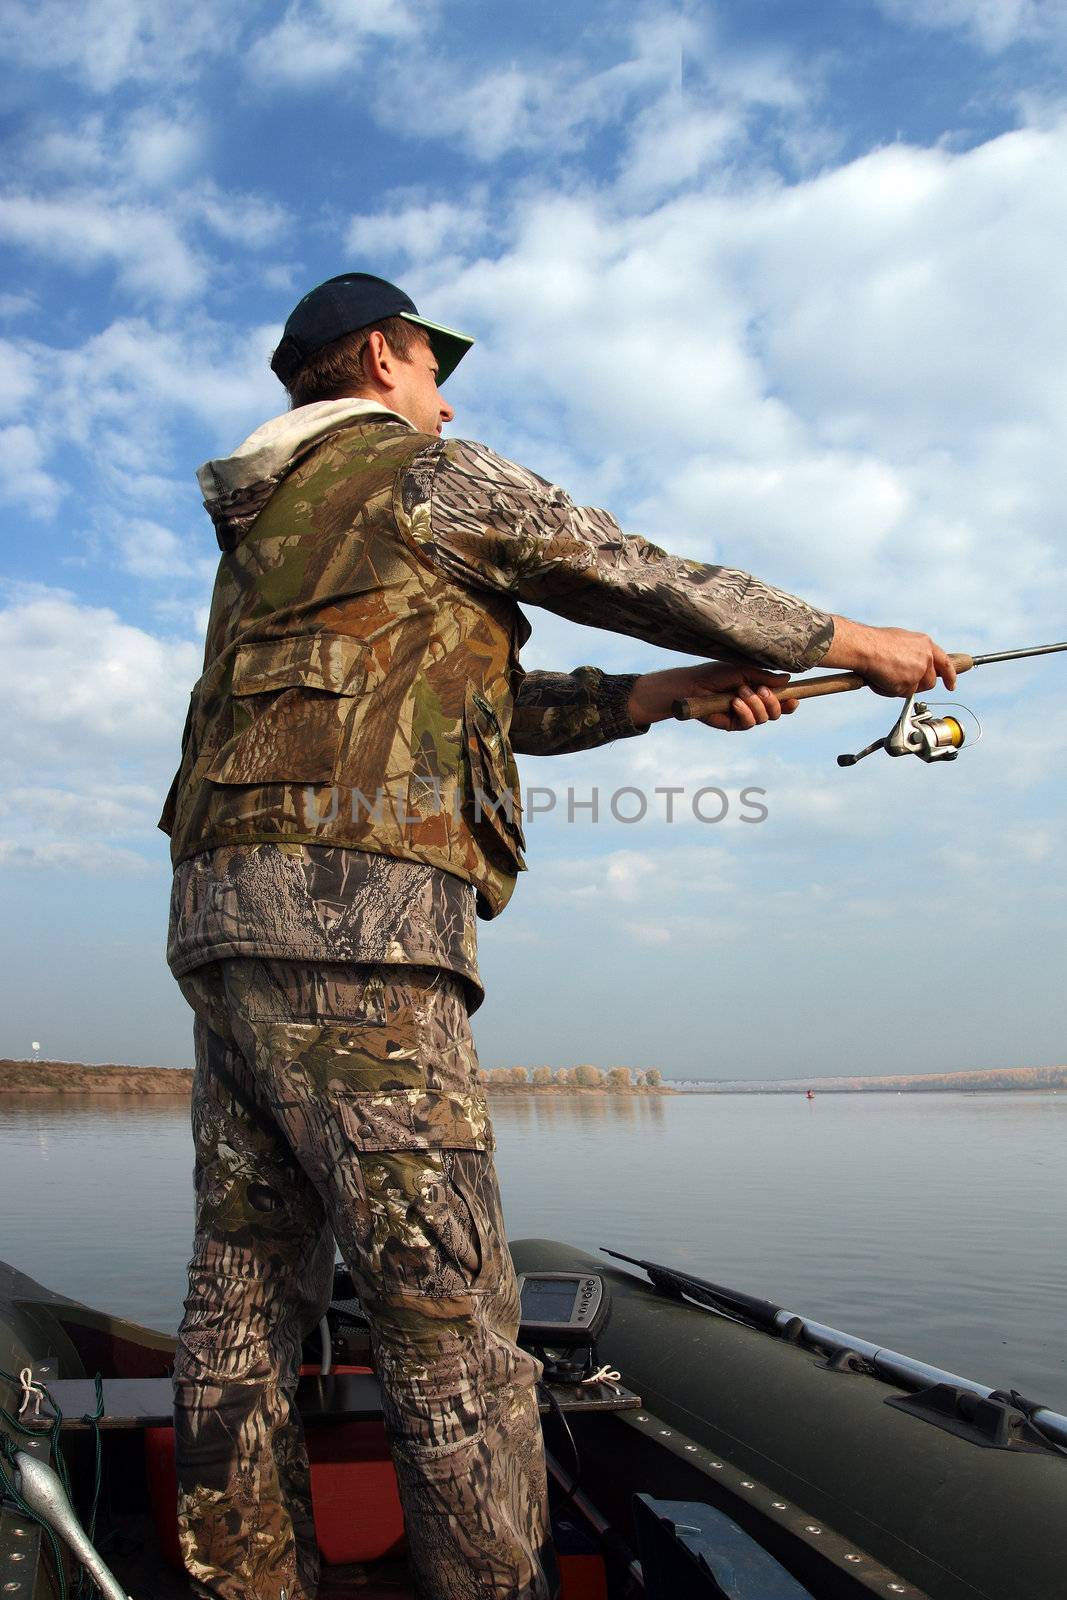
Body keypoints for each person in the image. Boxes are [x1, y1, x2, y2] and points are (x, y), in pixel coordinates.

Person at [160, 272, 956, 1600]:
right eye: (427, 367)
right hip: (362, 929)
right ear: (375, 359)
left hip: (224, 929)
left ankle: (242, 1581)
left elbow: (476, 701)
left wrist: (668, 697)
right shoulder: (428, 476)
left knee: (241, 1293)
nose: (444, 394)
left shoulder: (277, 528)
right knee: (450, 1319)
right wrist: (852, 640)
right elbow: (625, 566)